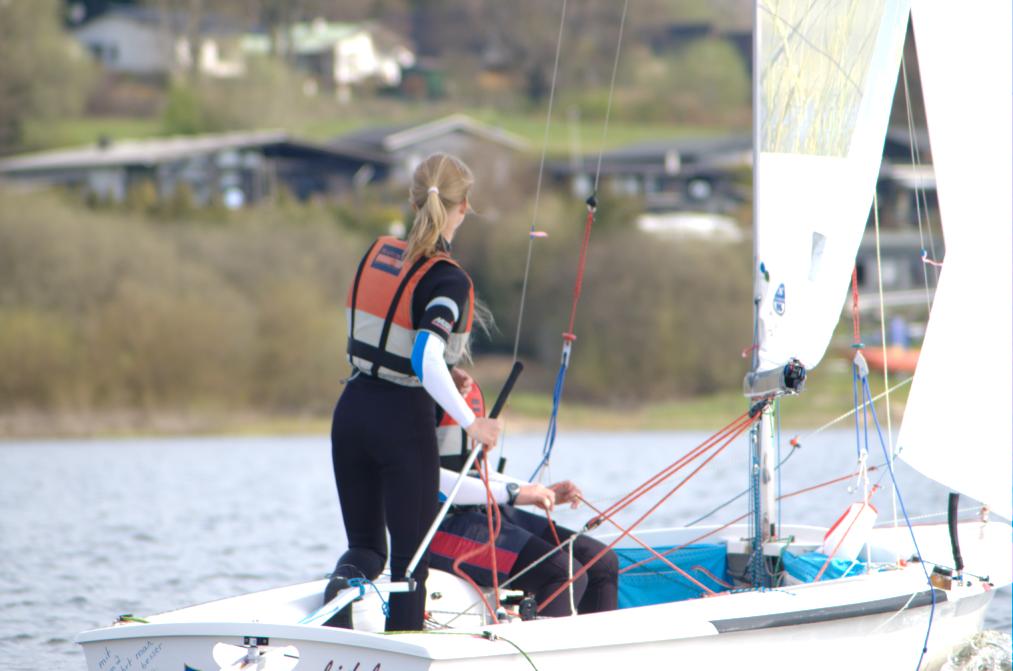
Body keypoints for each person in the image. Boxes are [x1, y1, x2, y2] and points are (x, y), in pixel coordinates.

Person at [326, 153, 502, 632]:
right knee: (410, 566)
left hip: (351, 411)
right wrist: (472, 422)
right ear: (464, 206)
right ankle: (401, 648)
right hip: (401, 424)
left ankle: (335, 628)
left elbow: (396, 340)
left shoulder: (377, 252)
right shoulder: (448, 278)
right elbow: (424, 356)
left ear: (412, 201)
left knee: (365, 549)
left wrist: (448, 372)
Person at [430, 383, 618, 618]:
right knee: (566, 573)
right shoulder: (416, 392)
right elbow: (428, 479)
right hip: (436, 527)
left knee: (602, 562)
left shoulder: (464, 390)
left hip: (482, 511)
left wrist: (537, 491)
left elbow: (478, 472)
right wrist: (514, 493)